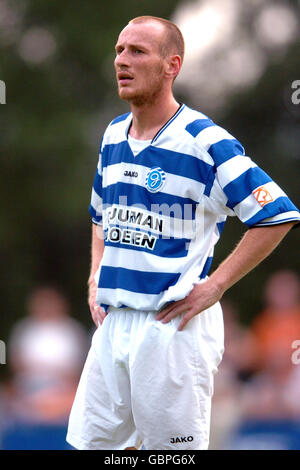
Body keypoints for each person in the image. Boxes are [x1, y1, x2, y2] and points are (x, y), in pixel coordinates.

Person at [66, 16, 300, 451]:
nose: (122, 60)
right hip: (114, 324)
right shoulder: (114, 134)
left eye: (138, 51)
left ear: (172, 65)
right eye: (119, 50)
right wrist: (95, 273)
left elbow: (276, 214)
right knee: (95, 447)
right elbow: (99, 213)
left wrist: (216, 286)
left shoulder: (204, 140)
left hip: (171, 326)